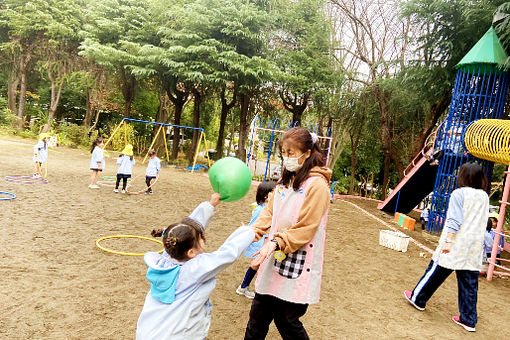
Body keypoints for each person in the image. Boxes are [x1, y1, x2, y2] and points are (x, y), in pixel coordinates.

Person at [244, 127, 331, 340]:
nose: (286, 157)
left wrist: (275, 243)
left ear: (307, 153)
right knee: (257, 317)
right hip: (273, 257)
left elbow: (306, 227)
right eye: (284, 152)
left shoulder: (318, 186)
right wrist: (250, 234)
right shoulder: (285, 182)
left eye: (291, 153)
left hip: (296, 260)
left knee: (287, 320)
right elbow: (269, 214)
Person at [136, 193, 255, 340]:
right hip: (176, 335)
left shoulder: (165, 258)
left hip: (148, 331)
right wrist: (247, 233)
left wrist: (210, 205)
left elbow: (188, 228)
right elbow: (226, 255)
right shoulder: (194, 269)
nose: (204, 240)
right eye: (201, 239)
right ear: (191, 252)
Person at [404, 162, 489, 332]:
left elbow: (454, 220)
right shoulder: (484, 196)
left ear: (463, 176)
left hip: (456, 243)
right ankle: (468, 320)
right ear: (481, 179)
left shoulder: (459, 194)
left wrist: (449, 241)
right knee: (469, 283)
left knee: (436, 271)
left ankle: (417, 298)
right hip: (473, 247)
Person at [236, 181, 276, 299]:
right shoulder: (261, 210)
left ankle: (245, 287)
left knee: (258, 265)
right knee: (256, 264)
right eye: (274, 192)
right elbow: (255, 226)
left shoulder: (264, 208)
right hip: (259, 242)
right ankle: (243, 287)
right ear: (266, 196)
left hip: (262, 241)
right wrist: (246, 230)